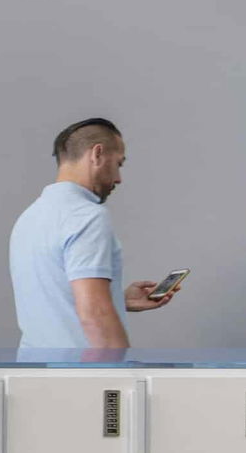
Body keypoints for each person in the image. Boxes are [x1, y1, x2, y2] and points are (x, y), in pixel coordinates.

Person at [9, 117, 177, 349]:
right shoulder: (86, 215)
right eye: (119, 164)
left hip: (33, 373)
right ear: (97, 154)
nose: (119, 178)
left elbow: (52, 299)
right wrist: (122, 376)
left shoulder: (30, 217)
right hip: (80, 378)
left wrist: (118, 300)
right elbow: (95, 314)